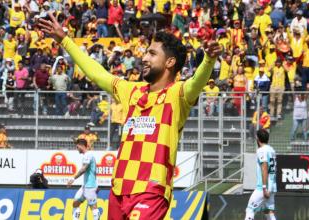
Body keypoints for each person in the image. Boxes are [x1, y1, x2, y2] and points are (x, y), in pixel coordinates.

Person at [39, 13, 219, 219]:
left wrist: (209, 60)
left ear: (170, 62)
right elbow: (97, 73)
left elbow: (196, 82)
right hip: (119, 192)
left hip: (151, 191)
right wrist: (65, 40)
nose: (144, 58)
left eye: (152, 54)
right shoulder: (131, 91)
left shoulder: (177, 94)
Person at [245, 129, 277, 220]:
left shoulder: (261, 150)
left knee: (250, 209)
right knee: (268, 211)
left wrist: (264, 187)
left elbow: (264, 167)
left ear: (257, 139)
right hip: (272, 186)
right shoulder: (271, 150)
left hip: (263, 188)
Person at [67, 138, 100, 220]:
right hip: (85, 186)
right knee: (75, 203)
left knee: (93, 207)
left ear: (82, 146)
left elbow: (84, 169)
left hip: (90, 186)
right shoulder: (87, 155)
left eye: (77, 147)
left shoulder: (88, 155)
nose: (76, 149)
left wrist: (73, 178)